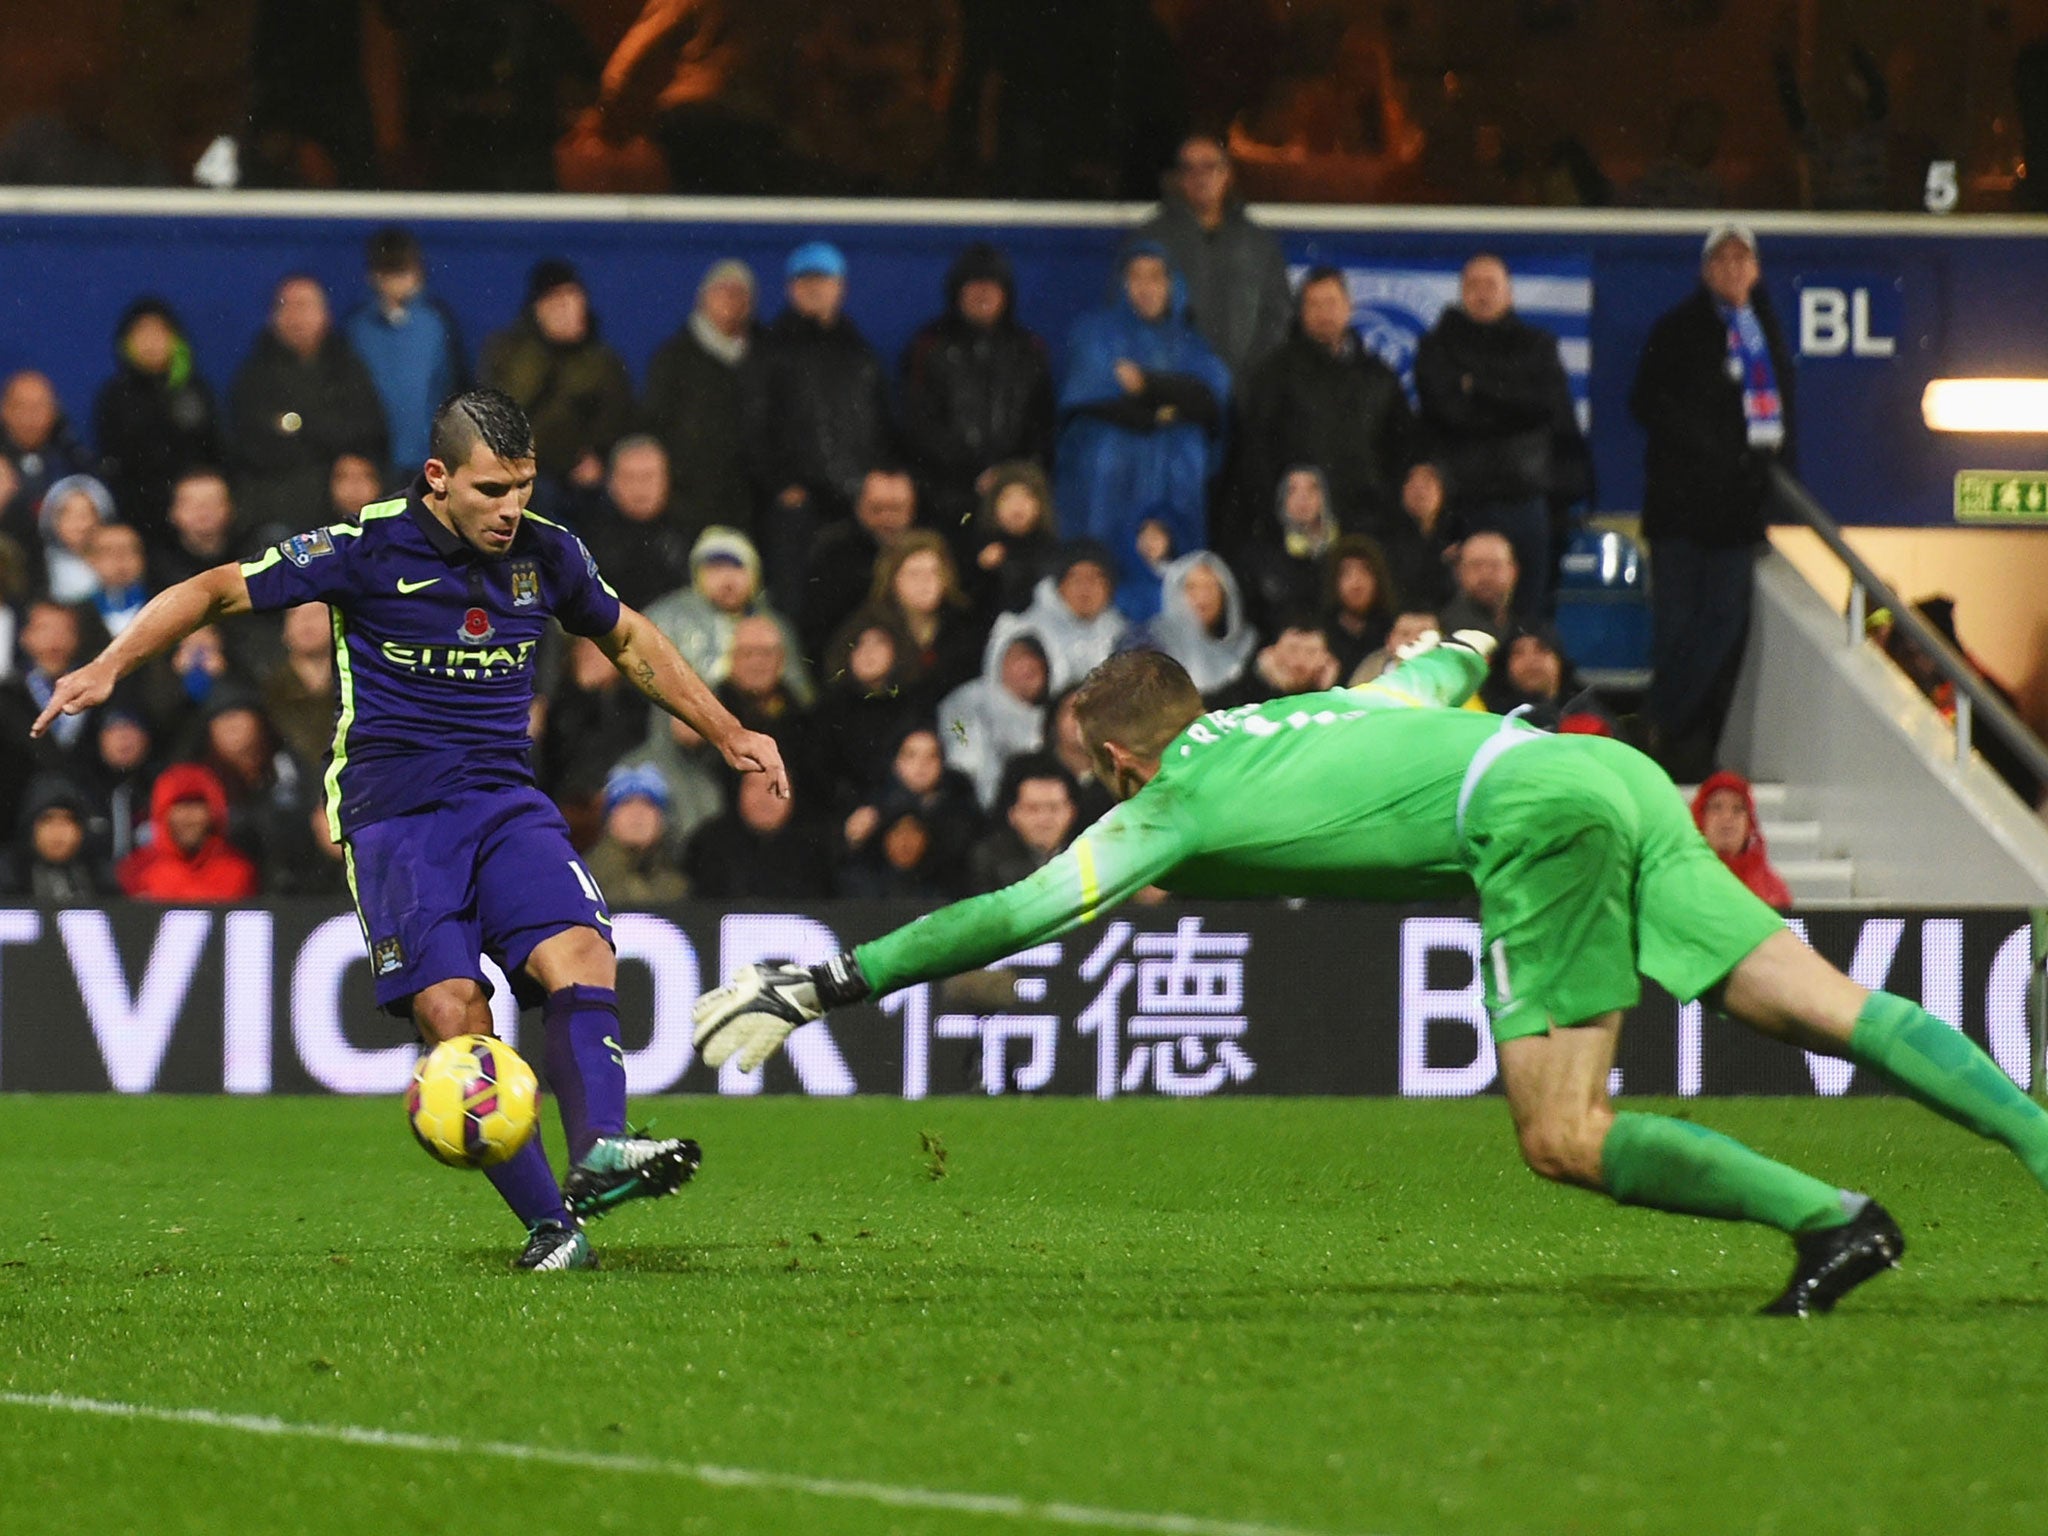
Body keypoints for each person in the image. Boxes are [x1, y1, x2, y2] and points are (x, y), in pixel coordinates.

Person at [697, 640, 2048, 1318]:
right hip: (1598, 764)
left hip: (1531, 826)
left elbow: (1003, 915)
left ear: (1115, 762)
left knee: (1562, 1134)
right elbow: (1453, 655)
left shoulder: (1171, 802)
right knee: (1815, 1004)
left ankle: (1837, 1220)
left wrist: (823, 985)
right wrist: (1429, 643)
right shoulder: (1305, 709)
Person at [31, 389, 789, 1274]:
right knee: (455, 1016)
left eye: (523, 486)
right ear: (438, 479)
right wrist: (110, 662)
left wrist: (729, 729)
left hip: (506, 802)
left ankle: (603, 1152)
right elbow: (213, 589)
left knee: (582, 951)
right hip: (396, 819)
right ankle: (554, 1226)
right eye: (491, 490)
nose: (511, 509)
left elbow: (627, 640)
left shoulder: (549, 553)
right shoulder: (365, 547)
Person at [1630, 225, 1794, 784]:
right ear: (1705, 270)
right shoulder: (1676, 329)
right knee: (1676, 629)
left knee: (1723, 628)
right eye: (1720, 259)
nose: (1731, 268)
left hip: (1737, 515)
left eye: (1740, 258)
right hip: (1682, 511)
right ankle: (1665, 734)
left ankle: (1660, 726)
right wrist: (1715, 451)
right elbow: (1647, 402)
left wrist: (1768, 485)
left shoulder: (1765, 328)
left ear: (1755, 270)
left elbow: (1780, 417)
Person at [1411, 254, 1587, 617]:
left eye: (1491, 285)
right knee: (1459, 616)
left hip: (1526, 504)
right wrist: (1510, 401)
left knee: (1528, 619)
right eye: (1473, 286)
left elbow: (1543, 407)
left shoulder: (1537, 345)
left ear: (1509, 294)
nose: (1482, 294)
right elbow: (1449, 411)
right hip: (1461, 507)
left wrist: (1477, 387)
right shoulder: (1437, 347)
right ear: (1460, 294)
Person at [1055, 245, 1230, 606]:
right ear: (1122, 283)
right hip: (1109, 484)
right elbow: (1092, 398)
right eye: (1136, 277)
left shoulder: (1191, 342)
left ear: (1172, 285)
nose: (1145, 287)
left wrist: (1147, 384)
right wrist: (1166, 408)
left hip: (1172, 479)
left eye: (1155, 277)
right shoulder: (1096, 334)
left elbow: (1209, 398)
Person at [1235, 266, 1425, 590]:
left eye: (1331, 302)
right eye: (1314, 304)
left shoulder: (1378, 377)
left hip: (1367, 529)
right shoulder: (1274, 374)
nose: (1324, 313)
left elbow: (1402, 452)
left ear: (1349, 306)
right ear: (1301, 312)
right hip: (1297, 533)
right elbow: (1255, 454)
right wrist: (1278, 511)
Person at [743, 242, 893, 613]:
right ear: (790, 289)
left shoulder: (859, 351)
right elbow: (752, 425)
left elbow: (878, 423)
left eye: (823, 279)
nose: (814, 288)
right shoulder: (770, 348)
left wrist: (873, 478)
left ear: (840, 286)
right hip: (797, 510)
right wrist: (782, 485)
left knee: (855, 601)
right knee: (794, 604)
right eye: (804, 280)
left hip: (854, 504)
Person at [898, 242, 1055, 534]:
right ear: (957, 292)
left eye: (992, 286)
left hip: (1014, 496)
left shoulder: (1028, 349)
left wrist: (1009, 475)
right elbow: (918, 423)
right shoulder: (928, 345)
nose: (983, 295)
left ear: (1006, 294)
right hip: (946, 497)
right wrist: (974, 471)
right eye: (974, 286)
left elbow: (1041, 425)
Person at [1122, 134, 1292, 380]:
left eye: (1209, 166)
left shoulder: (1257, 242)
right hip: (1174, 391)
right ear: (1179, 178)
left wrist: (1253, 375)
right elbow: (1124, 312)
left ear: (1227, 174)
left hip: (1243, 392)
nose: (1199, 176)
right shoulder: (1150, 238)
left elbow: (1278, 315)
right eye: (1188, 168)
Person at [229, 275, 389, 533]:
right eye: (286, 307)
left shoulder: (349, 368)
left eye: (304, 306)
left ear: (325, 315)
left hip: (347, 512)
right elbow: (256, 448)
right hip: (277, 513)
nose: (296, 317)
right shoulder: (254, 376)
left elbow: (368, 433)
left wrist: (299, 424)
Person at [480, 259, 634, 489]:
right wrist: (546, 347)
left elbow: (617, 418)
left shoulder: (602, 361)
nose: (568, 309)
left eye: (574, 299)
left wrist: (600, 457)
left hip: (585, 479)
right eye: (557, 302)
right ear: (538, 308)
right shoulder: (507, 351)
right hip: (520, 473)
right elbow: (503, 410)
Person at [640, 259, 760, 540]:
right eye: (723, 291)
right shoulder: (673, 357)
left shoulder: (763, 357)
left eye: (740, 293)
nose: (731, 300)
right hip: (686, 503)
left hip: (748, 501)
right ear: (703, 297)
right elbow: (655, 424)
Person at [92, 298, 225, 542]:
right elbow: (113, 469)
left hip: (200, 523)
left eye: (159, 332)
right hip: (139, 525)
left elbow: (216, 456)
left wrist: (194, 504)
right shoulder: (113, 398)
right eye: (141, 333)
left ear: (176, 340)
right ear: (125, 343)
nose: (150, 342)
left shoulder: (197, 391)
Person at [643, 525, 811, 704]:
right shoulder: (666, 618)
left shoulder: (774, 626)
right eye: (715, 569)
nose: (727, 580)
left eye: (737, 568)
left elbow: (800, 694)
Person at [346, 227, 467, 474]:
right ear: (373, 275)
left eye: (402, 270)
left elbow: (454, 383)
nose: (396, 281)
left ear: (418, 273)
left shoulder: (438, 321)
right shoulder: (357, 327)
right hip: (376, 463)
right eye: (387, 271)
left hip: (430, 457)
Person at [798, 466, 918, 663]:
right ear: (859, 507)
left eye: (896, 509)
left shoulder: (928, 548)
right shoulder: (833, 553)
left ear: (912, 510)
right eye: (877, 509)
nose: (887, 518)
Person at [937, 618, 1052, 811]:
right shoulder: (967, 701)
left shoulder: (1051, 716)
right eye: (1018, 656)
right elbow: (963, 758)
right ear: (997, 660)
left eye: (1036, 658)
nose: (1029, 664)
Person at [574, 436, 695, 611]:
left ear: (667, 479)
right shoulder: (587, 538)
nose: (639, 487)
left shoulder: (692, 536)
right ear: (611, 483)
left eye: (648, 476)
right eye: (629, 477)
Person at [114, 761, 260, 902]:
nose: (188, 817)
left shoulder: (239, 872)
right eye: (179, 806)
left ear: (214, 812)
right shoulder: (137, 871)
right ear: (161, 812)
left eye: (197, 805)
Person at [685, 769, 836, 900]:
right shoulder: (708, 843)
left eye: (776, 786)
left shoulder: (815, 848)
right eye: (754, 785)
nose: (764, 797)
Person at [1143, 551, 1256, 700]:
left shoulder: (1248, 647)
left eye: (1211, 586)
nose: (1203, 596)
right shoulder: (1150, 644)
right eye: (1191, 587)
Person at [1018, 541, 1130, 693]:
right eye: (1076, 578)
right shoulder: (1028, 632)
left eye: (1095, 578)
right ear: (1060, 585)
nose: (1086, 587)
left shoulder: (1124, 635)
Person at [966, 752, 1080, 893]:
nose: (1044, 819)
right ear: (1012, 814)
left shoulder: (1092, 852)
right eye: (1032, 809)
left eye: (1054, 808)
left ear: (1072, 812)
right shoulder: (987, 860)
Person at [963, 461, 1060, 617]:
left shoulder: (1051, 550)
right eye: (1007, 498)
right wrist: (982, 570)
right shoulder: (979, 547)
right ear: (993, 505)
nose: (1017, 506)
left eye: (1026, 496)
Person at [584, 763, 689, 906]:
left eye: (647, 804)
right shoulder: (586, 878)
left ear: (662, 820)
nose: (637, 813)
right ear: (609, 818)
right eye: (626, 803)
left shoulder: (677, 886)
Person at [1692, 771, 1793, 913]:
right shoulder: (1683, 880)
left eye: (1737, 809)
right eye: (1716, 807)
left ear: (1749, 824)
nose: (1727, 817)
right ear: (1700, 818)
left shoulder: (1772, 889)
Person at [2, 775, 106, 902]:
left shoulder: (101, 877)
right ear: (30, 827)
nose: (58, 831)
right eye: (47, 819)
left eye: (68, 820)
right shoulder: (8, 875)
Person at [1321, 534, 1396, 683]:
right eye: (1347, 573)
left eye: (1365, 571)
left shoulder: (1393, 629)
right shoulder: (1322, 633)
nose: (1356, 583)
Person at [1438, 531, 1518, 643]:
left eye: (1495, 565)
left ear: (1513, 571)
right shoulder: (1443, 631)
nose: (1486, 575)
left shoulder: (1529, 632)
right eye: (1476, 565)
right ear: (1459, 573)